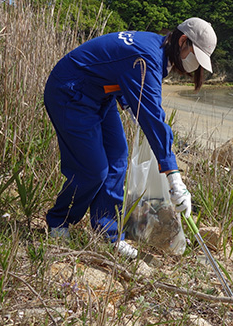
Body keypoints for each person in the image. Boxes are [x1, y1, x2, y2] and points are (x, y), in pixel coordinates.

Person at [44, 17, 217, 259]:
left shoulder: (157, 49)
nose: (193, 65)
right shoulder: (145, 58)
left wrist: (128, 104)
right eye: (195, 56)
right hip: (70, 91)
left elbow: (118, 73)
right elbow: (155, 119)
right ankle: (58, 222)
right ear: (183, 41)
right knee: (93, 170)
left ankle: (108, 233)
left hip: (99, 96)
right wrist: (175, 180)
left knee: (118, 159)